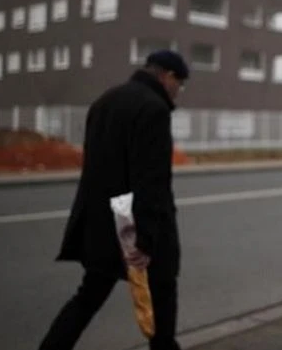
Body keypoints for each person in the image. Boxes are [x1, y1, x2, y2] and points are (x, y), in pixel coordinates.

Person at [39, 50, 189, 350]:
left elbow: (95, 168)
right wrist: (144, 241)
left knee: (88, 297)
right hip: (135, 226)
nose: (178, 92)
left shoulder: (104, 101)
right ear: (168, 76)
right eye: (180, 85)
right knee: (161, 297)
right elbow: (150, 181)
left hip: (102, 221)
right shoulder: (154, 109)